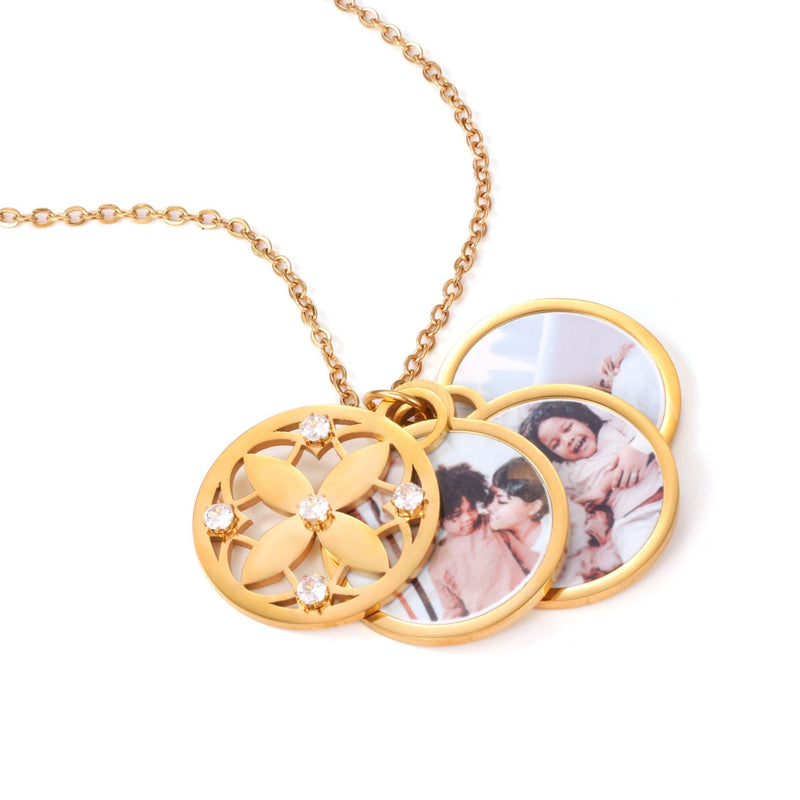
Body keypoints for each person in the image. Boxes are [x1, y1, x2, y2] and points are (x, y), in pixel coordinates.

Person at [519, 400, 663, 569]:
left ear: (583, 420)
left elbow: (651, 432)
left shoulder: (612, 428)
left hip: (664, 488)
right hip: (632, 519)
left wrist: (602, 487)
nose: (568, 440)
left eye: (568, 428)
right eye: (556, 444)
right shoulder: (568, 473)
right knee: (640, 559)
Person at [426, 463, 528, 620]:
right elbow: (453, 610)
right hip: (489, 620)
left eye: (471, 508)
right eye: (457, 515)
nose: (468, 518)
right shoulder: (437, 566)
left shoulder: (489, 524)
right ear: (438, 520)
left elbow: (525, 557)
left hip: (524, 599)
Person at [487, 458, 550, 574]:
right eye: (491, 498)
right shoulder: (493, 537)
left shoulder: (550, 539)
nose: (490, 507)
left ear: (533, 507)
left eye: (501, 502)